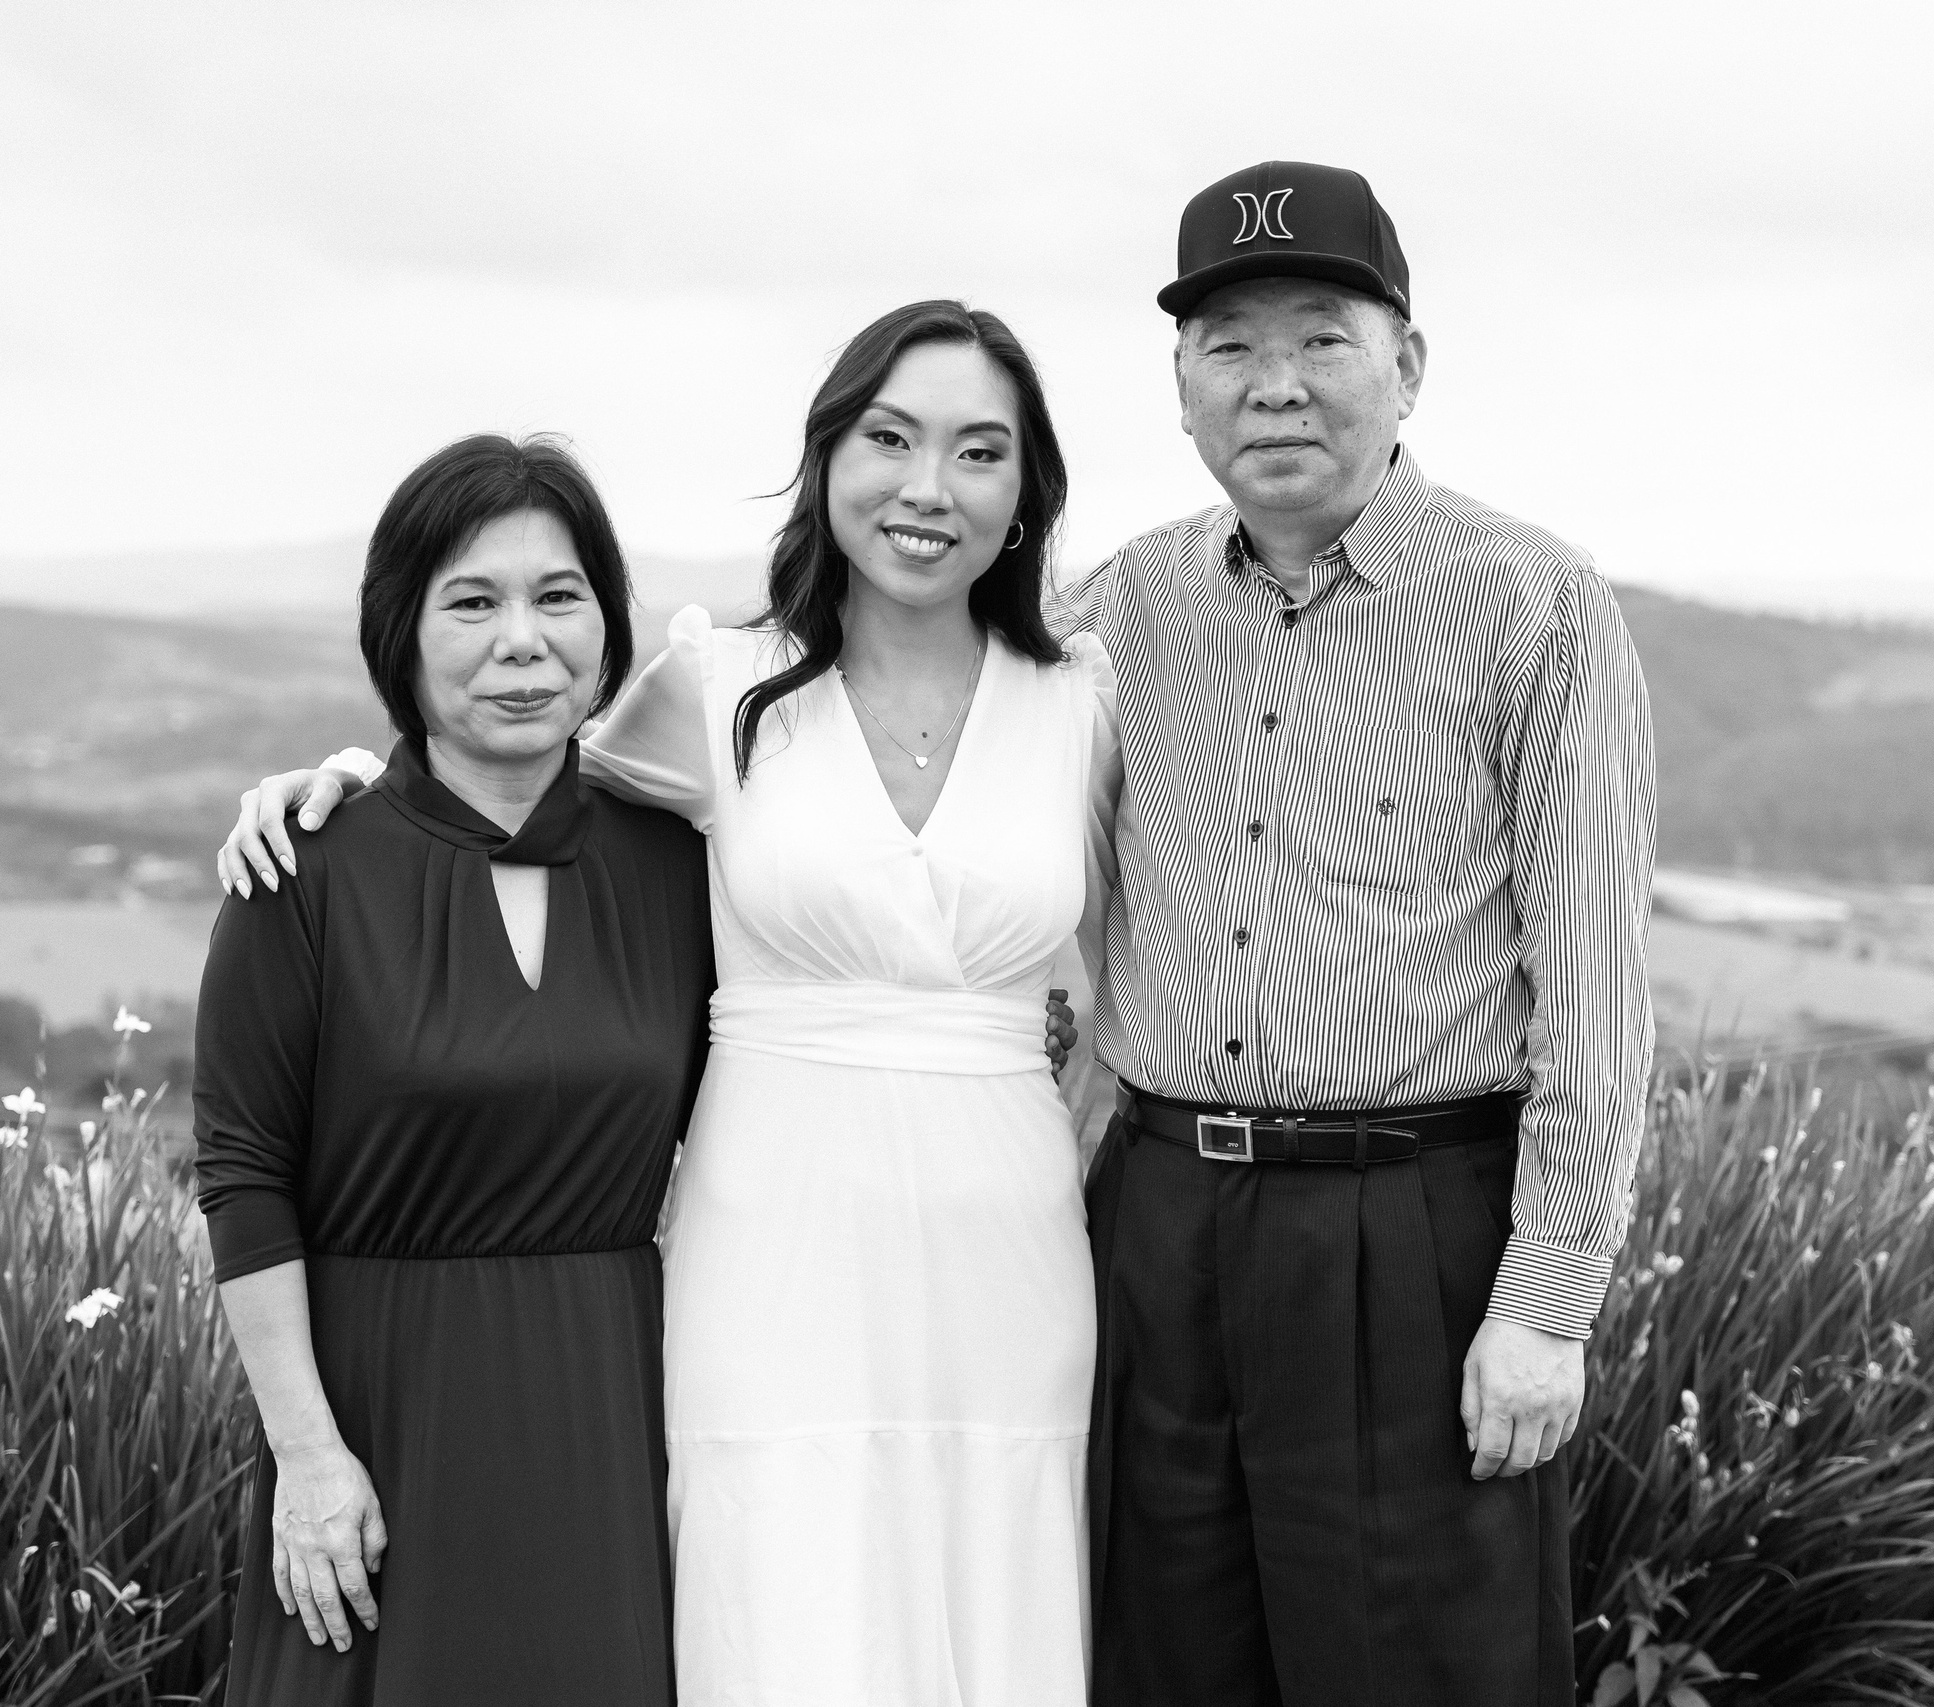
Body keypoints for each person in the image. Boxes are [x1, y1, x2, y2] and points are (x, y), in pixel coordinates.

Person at [219, 301, 1113, 1704]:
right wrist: (333, 778)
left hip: (1011, 1248)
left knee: (999, 1595)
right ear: (827, 459)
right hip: (771, 1251)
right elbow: (505, 768)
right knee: (781, 1614)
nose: (927, 483)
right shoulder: (719, 686)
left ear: (1026, 495)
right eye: (888, 436)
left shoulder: (1086, 701)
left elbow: (1148, 983)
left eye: (978, 449)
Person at [1064, 161, 1655, 1707]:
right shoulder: (1121, 608)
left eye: (1322, 337)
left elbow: (1594, 987)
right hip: (1160, 1222)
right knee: (1163, 1666)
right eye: (1229, 344)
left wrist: (1544, 1302)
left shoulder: (1536, 604)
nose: (1275, 386)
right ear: (1180, 384)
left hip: (1416, 1235)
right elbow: (899, 731)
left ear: (1409, 363)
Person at [194, 433, 714, 1704]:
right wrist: (308, 1460)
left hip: (610, 1410)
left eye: (558, 596)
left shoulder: (685, 865)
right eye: (471, 602)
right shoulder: (304, 869)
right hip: (378, 1424)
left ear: (606, 623)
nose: (521, 641)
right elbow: (243, 1178)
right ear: (401, 634)